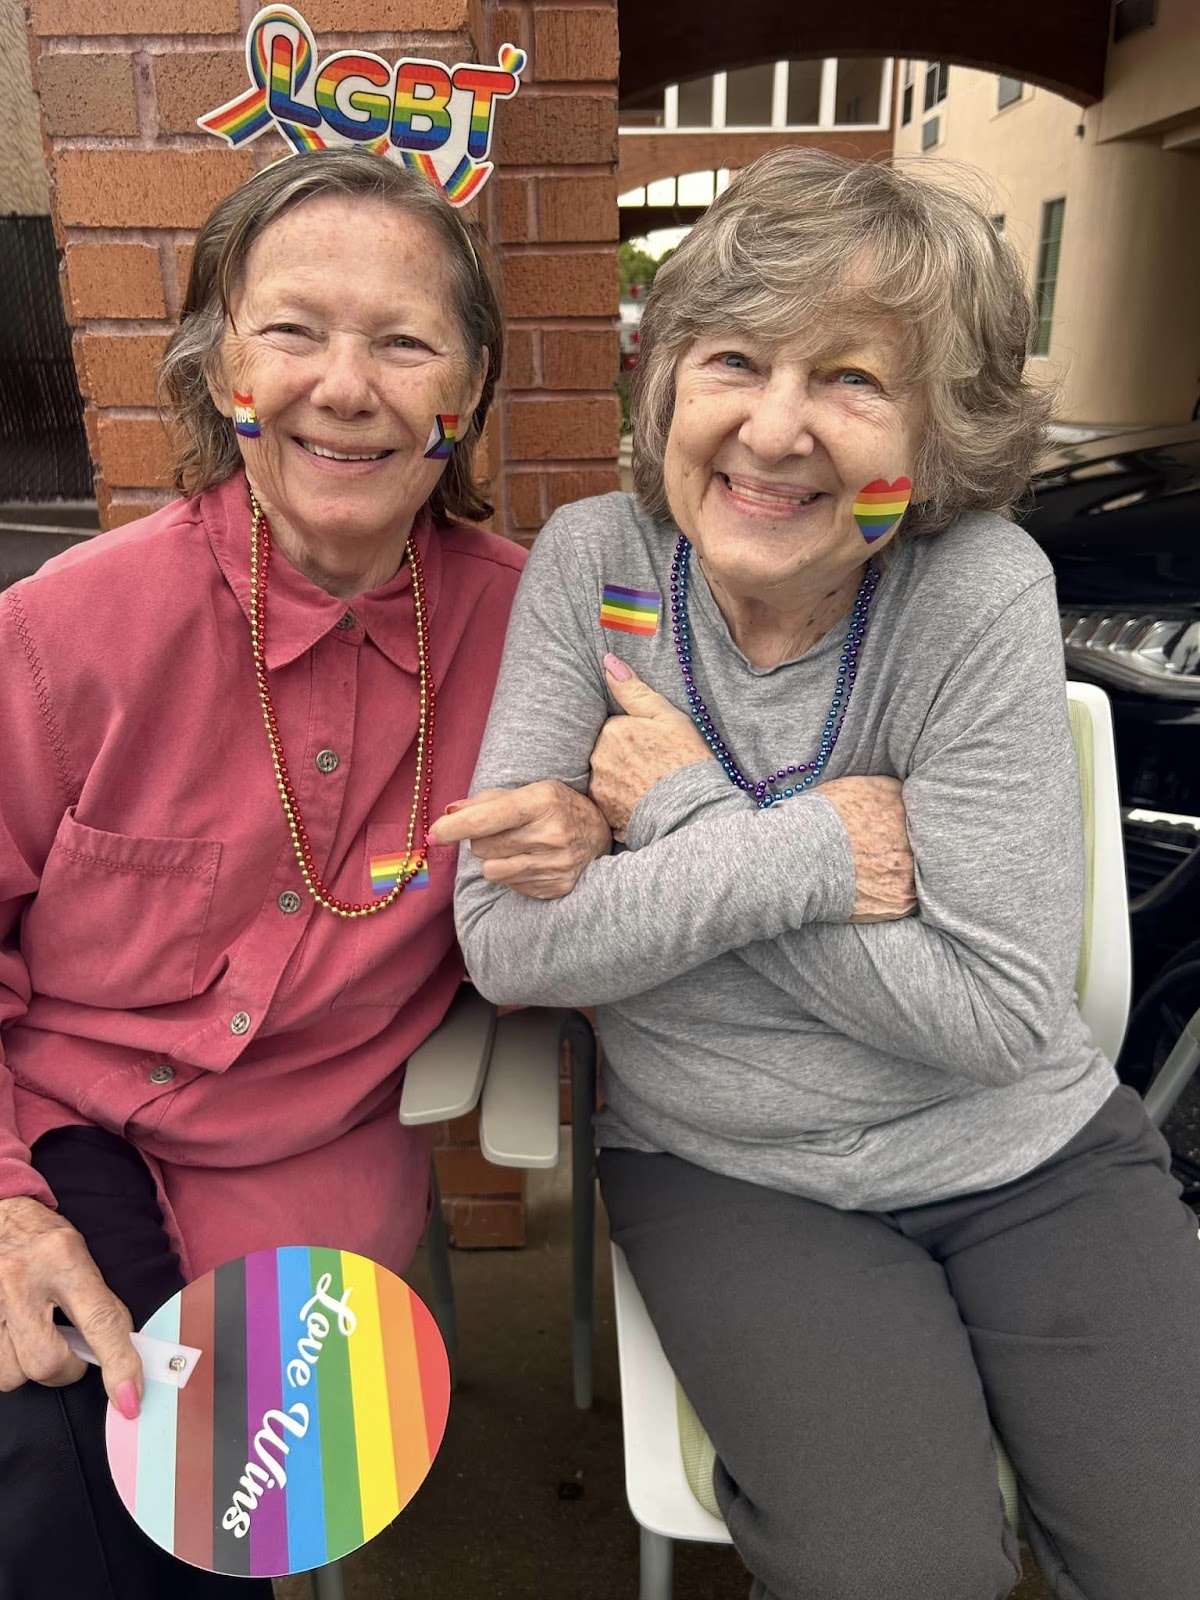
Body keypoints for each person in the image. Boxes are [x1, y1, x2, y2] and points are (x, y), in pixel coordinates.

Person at [435, 150, 1200, 1600]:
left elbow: (991, 1015)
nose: (774, 430)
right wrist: (809, 848)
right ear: (666, 383)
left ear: (937, 429)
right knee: (904, 1574)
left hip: (1024, 1156)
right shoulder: (595, 567)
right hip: (736, 1175)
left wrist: (676, 817)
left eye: (852, 381)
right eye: (733, 359)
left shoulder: (975, 590)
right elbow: (513, 948)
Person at [0, 149, 602, 1600]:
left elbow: (660, 861)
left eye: (405, 342)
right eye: (294, 332)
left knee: (193, 1513)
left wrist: (598, 840)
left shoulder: (540, 637)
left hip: (295, 1180)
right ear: (223, 374)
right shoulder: (65, 630)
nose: (350, 386)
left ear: (466, 400)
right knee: (37, 1472)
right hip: (48, 1129)